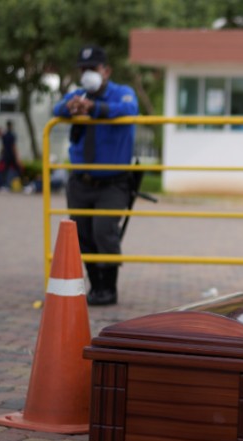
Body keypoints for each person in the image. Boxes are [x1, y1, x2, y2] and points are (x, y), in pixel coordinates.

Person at [53, 45, 139, 306]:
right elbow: (57, 110)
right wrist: (72, 107)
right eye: (83, 69)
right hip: (81, 181)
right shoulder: (78, 95)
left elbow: (129, 109)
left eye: (92, 68)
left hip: (112, 182)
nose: (87, 73)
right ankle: (95, 286)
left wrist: (96, 108)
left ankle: (109, 288)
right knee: (82, 235)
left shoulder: (122, 93)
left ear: (106, 71)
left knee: (104, 231)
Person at [0, 120, 23, 191]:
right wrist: (17, 157)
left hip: (5, 155)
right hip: (11, 155)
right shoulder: (12, 135)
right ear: (11, 126)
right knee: (18, 169)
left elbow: (2, 147)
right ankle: (20, 183)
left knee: (4, 171)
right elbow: (14, 147)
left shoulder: (4, 135)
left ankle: (5, 185)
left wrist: (0, 156)